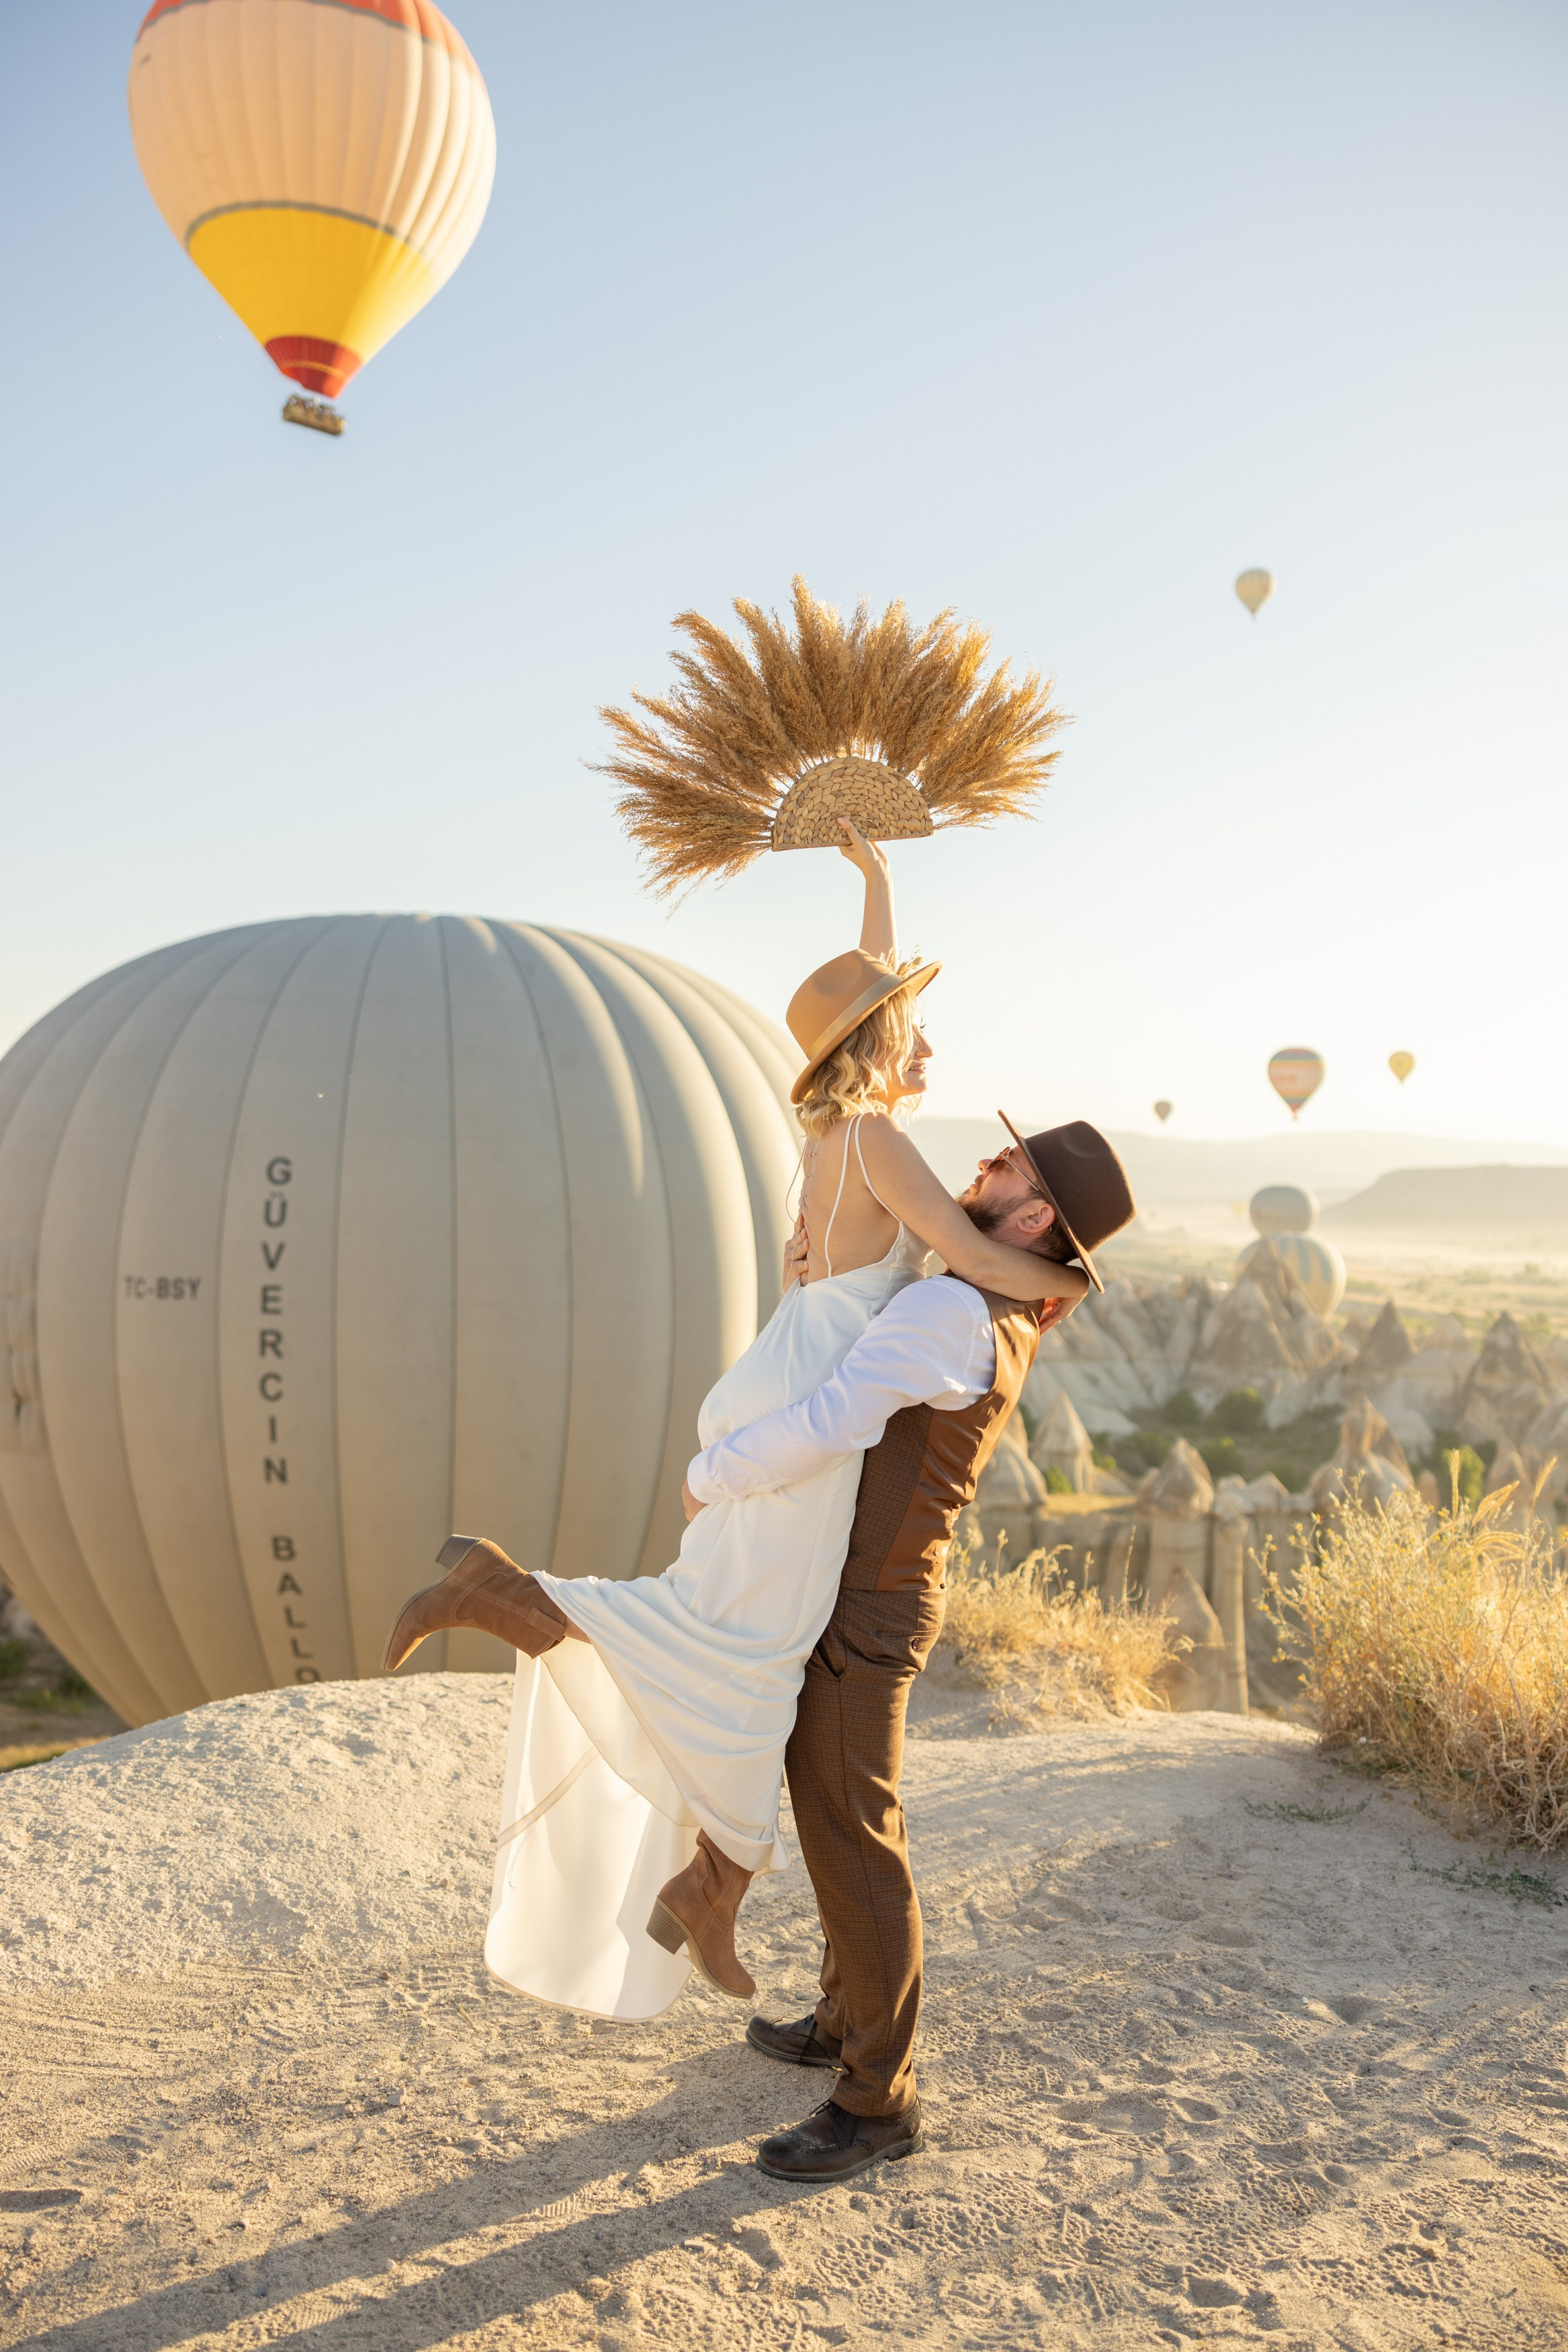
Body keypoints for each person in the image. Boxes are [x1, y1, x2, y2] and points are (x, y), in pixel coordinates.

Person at [382, 823, 1089, 2021]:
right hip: (813, 1395)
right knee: (751, 1648)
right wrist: (1069, 1278)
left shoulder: (829, 1133)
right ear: (881, 1044)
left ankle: (710, 1885)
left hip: (780, 1358)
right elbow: (974, 1258)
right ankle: (500, 1593)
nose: (931, 1043)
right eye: (913, 1027)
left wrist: (876, 885)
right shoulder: (881, 1142)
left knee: (745, 1633)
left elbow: (864, 1002)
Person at [689, 1111, 1136, 2181]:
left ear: (1031, 1217)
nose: (981, 1163)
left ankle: (876, 2099)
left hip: (866, 1603)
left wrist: (712, 1475)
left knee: (854, 1837)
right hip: (880, 1591)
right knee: (837, 1820)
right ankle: (842, 2019)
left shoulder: (949, 1307)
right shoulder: (996, 1303)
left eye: (1006, 1165)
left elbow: (836, 1418)